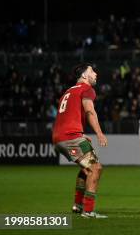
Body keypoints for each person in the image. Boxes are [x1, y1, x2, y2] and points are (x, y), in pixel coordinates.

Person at [52, 63, 108, 219]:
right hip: (71, 137)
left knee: (86, 169)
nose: (95, 73)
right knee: (95, 168)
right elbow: (90, 111)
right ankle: (88, 211)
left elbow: (66, 116)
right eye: (92, 71)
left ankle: (78, 206)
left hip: (59, 138)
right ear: (84, 75)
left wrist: (80, 134)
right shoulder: (87, 89)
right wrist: (99, 133)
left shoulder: (68, 92)